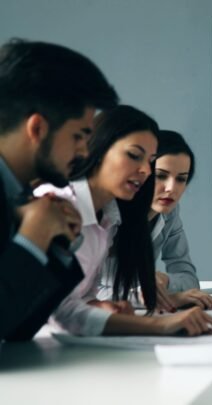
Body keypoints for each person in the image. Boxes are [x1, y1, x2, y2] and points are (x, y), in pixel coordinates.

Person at [49, 106, 212, 336]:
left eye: (149, 161)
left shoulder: (109, 218)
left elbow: (80, 296)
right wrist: (160, 324)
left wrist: (96, 305)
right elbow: (56, 310)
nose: (144, 171)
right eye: (134, 155)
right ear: (99, 148)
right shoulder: (60, 206)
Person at [0, 39, 118, 341]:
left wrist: (55, 247)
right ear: (37, 128)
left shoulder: (21, 198)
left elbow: (18, 329)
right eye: (79, 136)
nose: (83, 152)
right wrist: (32, 238)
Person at [96, 129, 212, 312]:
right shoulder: (107, 214)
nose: (171, 188)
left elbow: (189, 278)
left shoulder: (169, 212)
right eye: (161, 176)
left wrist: (164, 279)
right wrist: (163, 298)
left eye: (181, 179)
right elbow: (86, 294)